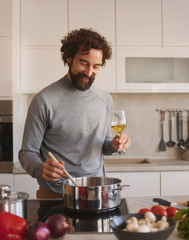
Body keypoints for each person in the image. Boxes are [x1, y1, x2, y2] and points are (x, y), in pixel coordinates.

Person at [19, 28, 131, 198]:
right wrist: (40, 169)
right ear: (69, 58)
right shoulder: (44, 100)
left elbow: (103, 145)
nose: (89, 72)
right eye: (84, 63)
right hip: (56, 194)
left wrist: (114, 145)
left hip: (97, 192)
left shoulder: (105, 99)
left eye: (96, 66)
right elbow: (27, 153)